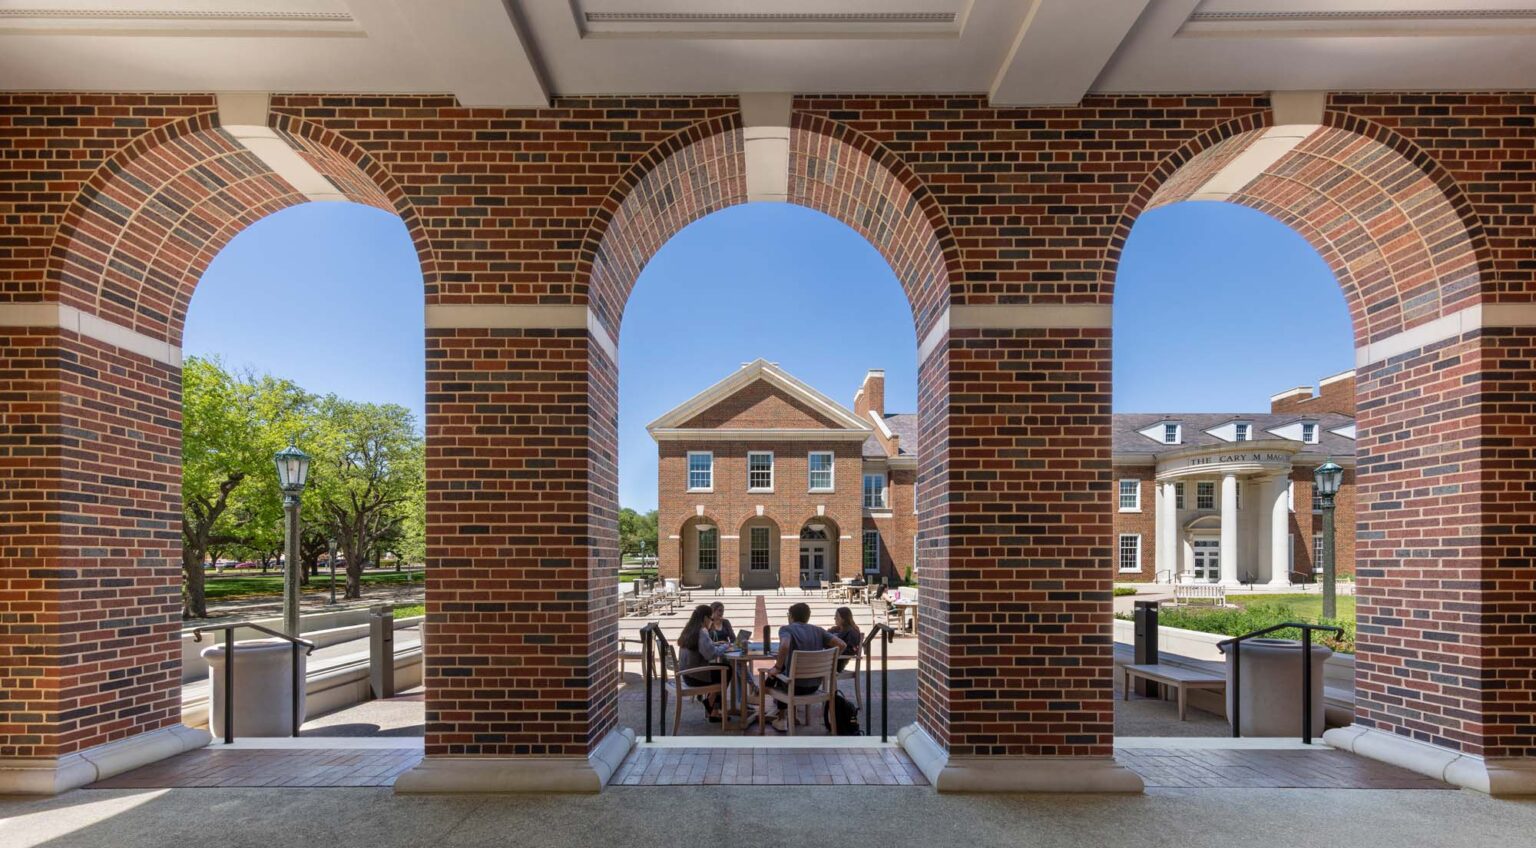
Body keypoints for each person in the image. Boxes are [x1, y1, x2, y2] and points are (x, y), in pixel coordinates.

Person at [761, 602, 845, 732]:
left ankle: (782, 719)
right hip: (814, 686)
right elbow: (842, 645)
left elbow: (784, 646)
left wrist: (777, 667)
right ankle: (790, 717)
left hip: (794, 687)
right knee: (785, 673)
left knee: (778, 675)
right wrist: (828, 663)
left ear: (791, 616)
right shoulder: (818, 630)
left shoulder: (786, 629)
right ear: (808, 616)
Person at [677, 604, 727, 721]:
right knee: (727, 671)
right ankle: (712, 708)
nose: (712, 622)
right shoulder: (701, 632)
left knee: (722, 669)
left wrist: (713, 645)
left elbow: (703, 649)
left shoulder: (689, 630)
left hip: (686, 675)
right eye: (711, 619)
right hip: (696, 676)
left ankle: (712, 708)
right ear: (705, 618)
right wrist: (725, 646)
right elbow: (711, 654)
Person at [828, 606, 863, 672]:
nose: (834, 618)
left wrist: (834, 652)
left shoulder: (852, 632)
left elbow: (851, 650)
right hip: (830, 659)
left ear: (843, 619)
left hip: (838, 662)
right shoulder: (836, 629)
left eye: (837, 616)